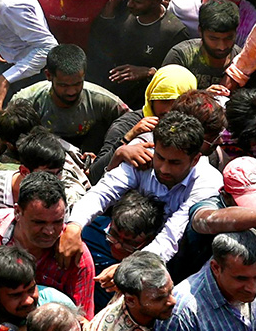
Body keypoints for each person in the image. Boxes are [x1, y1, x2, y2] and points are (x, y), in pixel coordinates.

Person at [68, 110, 221, 266]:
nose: (164, 169)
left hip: (176, 258)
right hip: (124, 239)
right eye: (160, 157)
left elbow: (173, 234)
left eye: (175, 163)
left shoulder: (207, 183)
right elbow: (104, 192)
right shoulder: (141, 158)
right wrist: (74, 226)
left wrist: (135, 266)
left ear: (195, 160)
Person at [0, 171, 97, 315]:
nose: (49, 231)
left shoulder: (77, 257)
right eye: (39, 222)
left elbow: (82, 322)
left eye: (58, 221)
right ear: (17, 212)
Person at [13, 44, 129, 154]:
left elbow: (132, 120)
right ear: (49, 76)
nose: (71, 91)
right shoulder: (27, 100)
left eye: (77, 84)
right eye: (64, 85)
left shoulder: (101, 99)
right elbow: (1, 132)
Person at [164, 0, 239, 89]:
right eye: (213, 39)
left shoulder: (243, 61)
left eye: (228, 38)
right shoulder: (180, 57)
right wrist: (203, 97)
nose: (221, 47)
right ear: (200, 31)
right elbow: (164, 97)